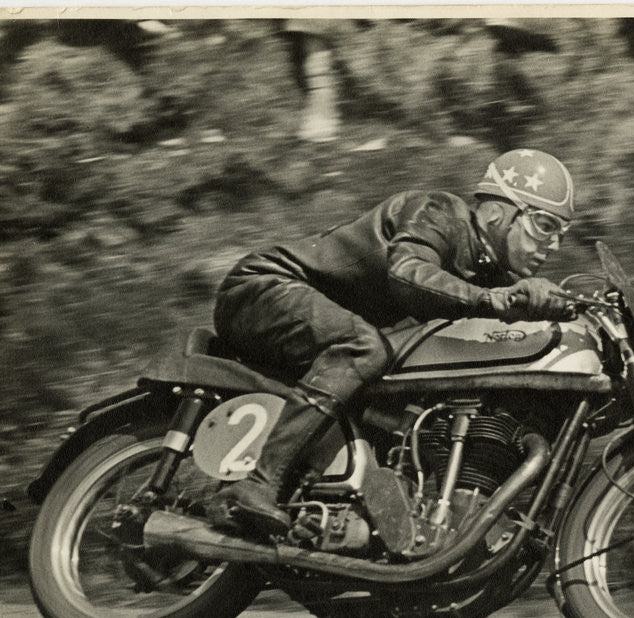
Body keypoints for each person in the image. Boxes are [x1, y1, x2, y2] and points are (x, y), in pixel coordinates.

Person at [207, 148, 577, 538]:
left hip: (320, 333)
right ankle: (256, 484)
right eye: (544, 225)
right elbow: (408, 273)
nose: (554, 245)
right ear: (497, 213)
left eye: (561, 234)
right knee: (366, 347)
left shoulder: (493, 277)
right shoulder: (439, 212)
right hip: (263, 288)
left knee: (410, 391)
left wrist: (556, 306)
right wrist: (495, 300)